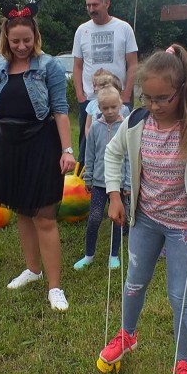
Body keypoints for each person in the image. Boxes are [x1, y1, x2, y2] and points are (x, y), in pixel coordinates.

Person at [97, 44, 187, 374]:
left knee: (180, 297)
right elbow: (113, 154)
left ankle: (184, 363)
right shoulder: (138, 121)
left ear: (181, 91)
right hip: (145, 221)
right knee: (133, 283)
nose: (154, 106)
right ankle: (126, 334)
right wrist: (114, 196)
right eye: (148, 97)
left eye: (163, 99)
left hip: (184, 230)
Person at [0, 3, 77, 312]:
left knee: (44, 216)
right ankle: (32, 270)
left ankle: (54, 286)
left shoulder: (48, 66)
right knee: (22, 212)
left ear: (35, 36)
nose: (21, 47)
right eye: (15, 41)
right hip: (8, 147)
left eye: (26, 40)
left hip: (41, 143)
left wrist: (67, 150)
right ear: (6, 40)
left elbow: (61, 110)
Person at [72, 0, 138, 161]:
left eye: (95, 4)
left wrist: (125, 95)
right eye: (88, 5)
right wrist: (80, 95)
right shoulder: (81, 31)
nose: (91, 9)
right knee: (87, 142)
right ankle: (85, 180)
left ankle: (123, 181)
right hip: (90, 100)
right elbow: (77, 66)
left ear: (107, 3)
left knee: (121, 142)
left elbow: (132, 65)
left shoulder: (124, 28)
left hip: (118, 99)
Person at [76, 85, 130, 271]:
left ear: (120, 105)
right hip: (99, 183)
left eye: (113, 107)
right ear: (98, 107)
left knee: (117, 219)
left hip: (120, 184)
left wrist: (128, 182)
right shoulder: (96, 128)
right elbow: (89, 155)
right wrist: (88, 178)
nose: (109, 111)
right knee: (94, 218)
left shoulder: (125, 127)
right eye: (105, 108)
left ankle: (114, 256)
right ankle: (88, 255)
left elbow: (130, 156)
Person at [82, 69, 123, 138]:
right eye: (94, 85)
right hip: (96, 137)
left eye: (98, 85)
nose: (95, 88)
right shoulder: (91, 105)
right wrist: (89, 140)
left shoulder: (117, 104)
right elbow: (88, 126)